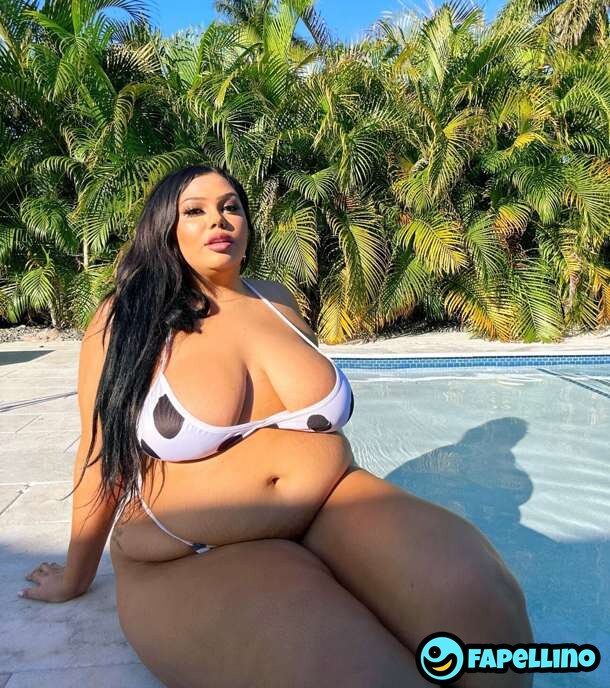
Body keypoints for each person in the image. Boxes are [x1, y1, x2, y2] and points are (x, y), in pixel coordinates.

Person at [20, 164, 533, 687]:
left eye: (231, 207)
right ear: (164, 228)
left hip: (328, 506)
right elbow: (99, 455)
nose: (218, 219)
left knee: (482, 599)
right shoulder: (128, 316)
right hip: (193, 548)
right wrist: (76, 575)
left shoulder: (277, 299)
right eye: (194, 211)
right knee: (354, 669)